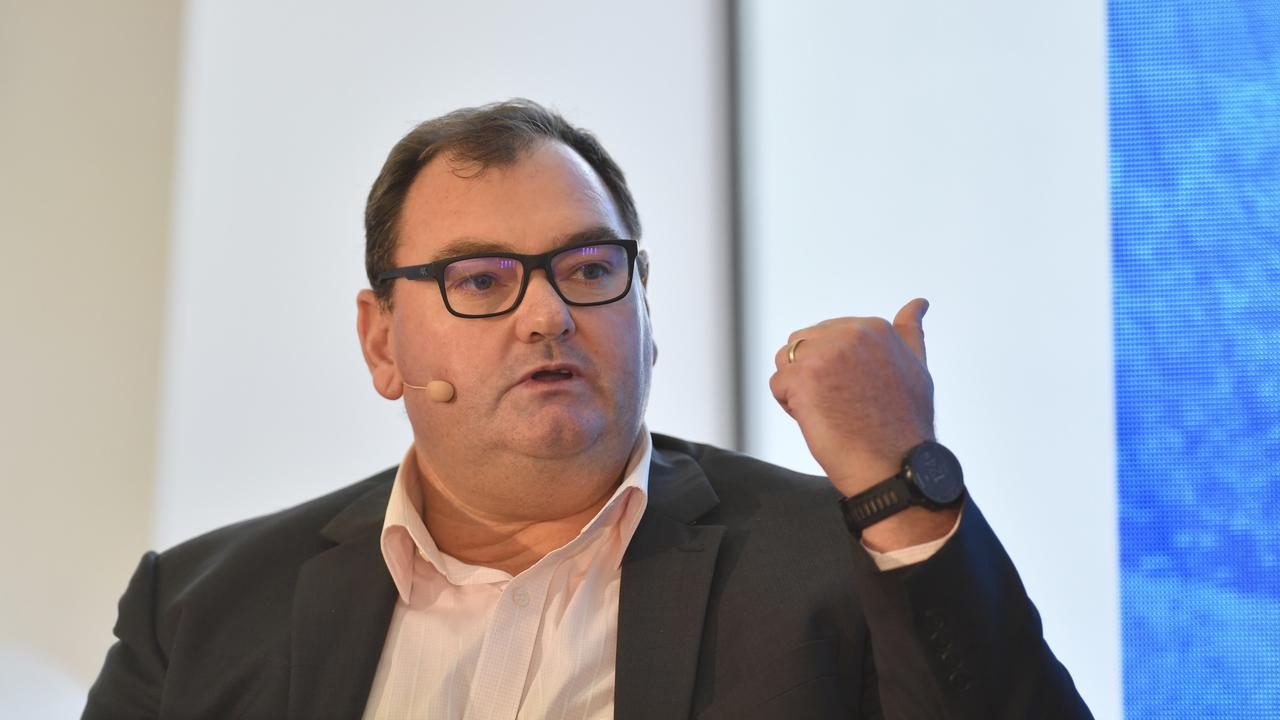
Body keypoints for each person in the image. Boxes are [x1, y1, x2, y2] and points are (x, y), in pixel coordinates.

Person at [83, 100, 1092, 719]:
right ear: (381, 341)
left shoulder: (833, 561)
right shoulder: (201, 609)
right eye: (481, 280)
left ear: (646, 317)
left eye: (588, 268)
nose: (548, 315)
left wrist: (898, 478)